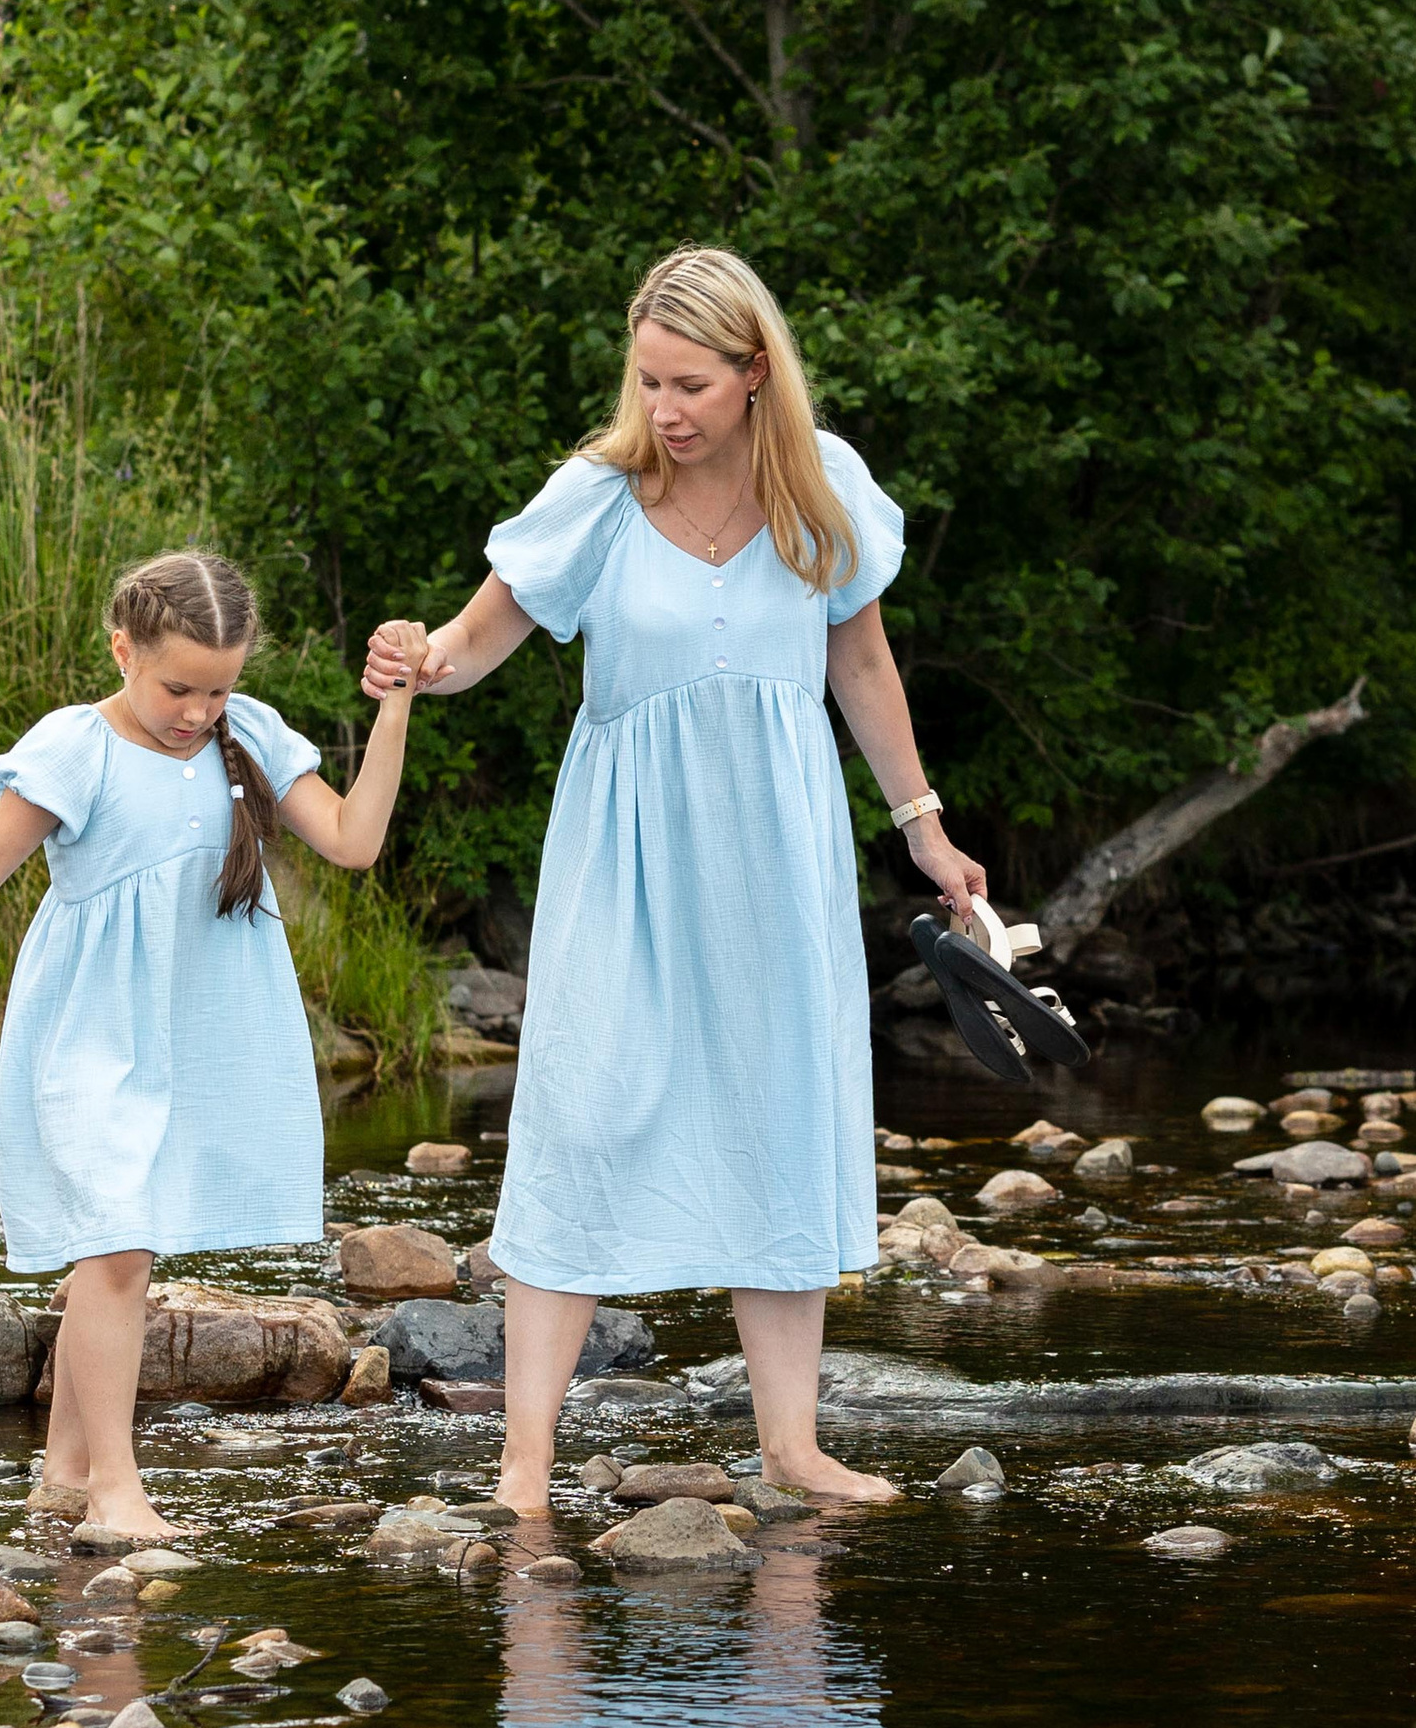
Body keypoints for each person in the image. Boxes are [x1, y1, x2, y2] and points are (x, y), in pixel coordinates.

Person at [361, 242, 984, 1513]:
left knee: (779, 1111)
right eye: (647, 382)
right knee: (583, 1112)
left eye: (689, 384)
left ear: (756, 374)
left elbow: (861, 669)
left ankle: (791, 1450)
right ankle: (524, 1466)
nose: (664, 411)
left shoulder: (823, 494)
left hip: (777, 851)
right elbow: (481, 638)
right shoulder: (595, 497)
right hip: (625, 857)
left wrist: (922, 825)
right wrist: (419, 655)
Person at [0, 547, 413, 1542]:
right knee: (119, 1247)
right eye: (178, 686)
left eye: (218, 687)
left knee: (119, 1252)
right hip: (90, 1031)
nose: (198, 710)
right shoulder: (74, 749)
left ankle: (62, 1470)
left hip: (204, 1030)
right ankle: (115, 1494)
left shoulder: (247, 735)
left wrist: (393, 710)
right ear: (122, 648)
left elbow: (352, 840)